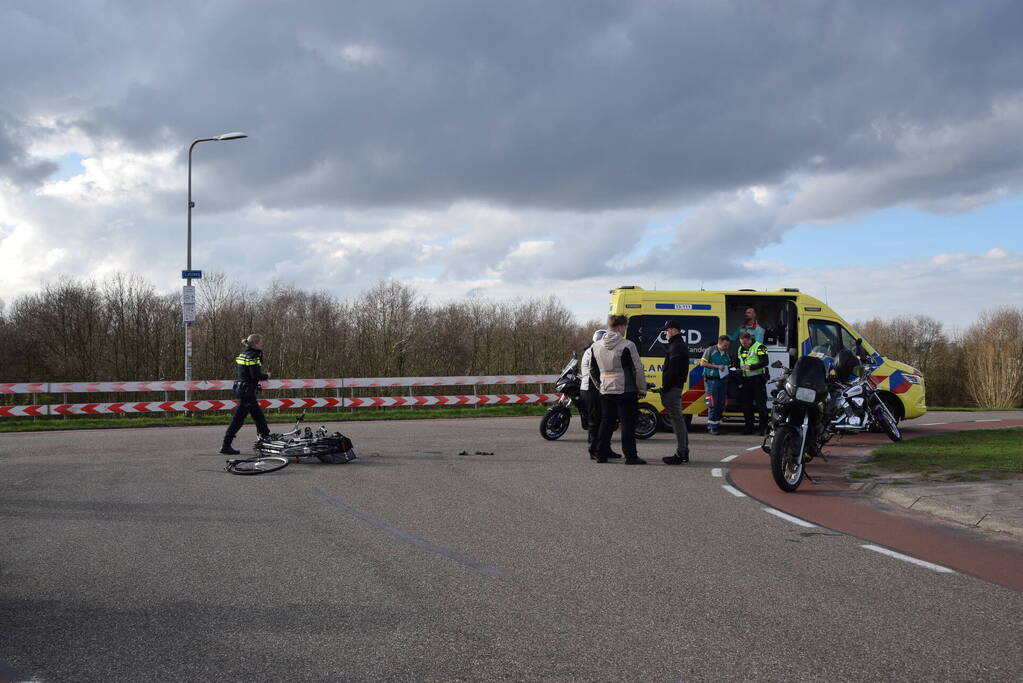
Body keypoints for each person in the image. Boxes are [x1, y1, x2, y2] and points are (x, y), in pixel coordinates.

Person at [593, 314, 647, 465]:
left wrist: (600, 385)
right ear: (619, 327)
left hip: (605, 389)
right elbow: (638, 368)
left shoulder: (596, 346)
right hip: (625, 389)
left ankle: (600, 454)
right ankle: (631, 456)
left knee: (607, 422)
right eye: (624, 327)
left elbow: (593, 369)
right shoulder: (628, 345)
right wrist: (642, 388)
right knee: (627, 424)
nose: (625, 330)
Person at [220, 334, 272, 455]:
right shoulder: (253, 356)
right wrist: (267, 376)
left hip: (243, 389)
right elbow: (255, 375)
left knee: (258, 417)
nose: (262, 344)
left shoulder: (244, 354)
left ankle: (266, 439)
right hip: (247, 392)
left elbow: (243, 373)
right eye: (261, 342)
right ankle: (226, 445)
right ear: (255, 344)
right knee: (238, 419)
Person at [580, 329, 620, 460]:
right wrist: (600, 386)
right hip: (591, 390)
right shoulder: (592, 350)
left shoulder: (593, 349)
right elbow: (593, 372)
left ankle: (605, 449)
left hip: (594, 389)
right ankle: (594, 450)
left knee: (604, 420)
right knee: (595, 421)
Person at [658, 319, 691, 465]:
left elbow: (673, 371)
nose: (665, 333)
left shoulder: (676, 346)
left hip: (673, 388)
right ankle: (684, 451)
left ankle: (681, 452)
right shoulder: (677, 345)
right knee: (678, 419)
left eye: (666, 330)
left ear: (673, 330)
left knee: (677, 420)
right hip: (674, 386)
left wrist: (665, 387)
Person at [737, 331, 770, 435]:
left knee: (761, 405)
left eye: (746, 343)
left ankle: (763, 428)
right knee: (746, 405)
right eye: (742, 343)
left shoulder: (760, 347)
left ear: (750, 340)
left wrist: (751, 367)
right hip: (746, 380)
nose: (744, 345)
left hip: (757, 380)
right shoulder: (741, 348)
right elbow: (741, 361)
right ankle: (749, 427)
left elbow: (765, 362)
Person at [700, 335, 731, 435]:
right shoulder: (711, 350)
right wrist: (717, 367)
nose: (727, 347)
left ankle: (716, 425)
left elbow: (728, 364)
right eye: (725, 345)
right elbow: (702, 363)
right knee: (713, 403)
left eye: (728, 345)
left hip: (722, 381)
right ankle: (711, 427)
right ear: (720, 342)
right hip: (711, 381)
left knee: (721, 404)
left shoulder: (726, 353)